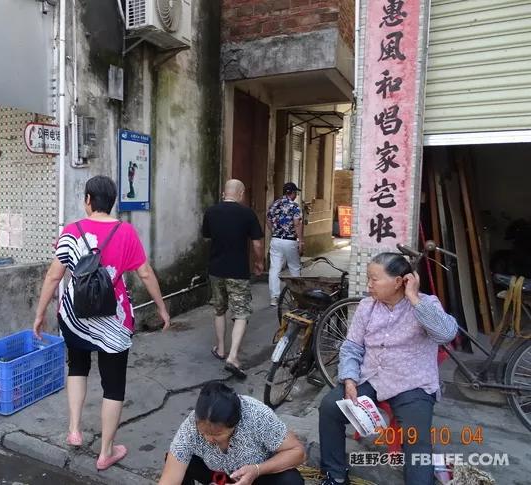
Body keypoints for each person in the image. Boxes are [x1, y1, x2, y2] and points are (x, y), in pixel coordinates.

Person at [32, 175, 170, 471]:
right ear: (112, 202)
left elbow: (54, 276)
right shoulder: (126, 232)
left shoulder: (71, 231)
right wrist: (161, 308)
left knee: (77, 367)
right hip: (115, 319)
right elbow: (145, 273)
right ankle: (106, 451)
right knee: (113, 384)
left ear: (88, 200)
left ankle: (74, 429)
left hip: (74, 315)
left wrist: (40, 313)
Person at [318, 253, 458, 485]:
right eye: (368, 279)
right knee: (329, 407)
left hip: (412, 383)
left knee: (416, 439)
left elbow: (446, 334)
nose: (369, 285)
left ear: (399, 281)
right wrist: (350, 379)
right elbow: (351, 347)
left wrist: (413, 297)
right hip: (371, 378)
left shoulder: (425, 304)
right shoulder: (366, 306)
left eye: (375, 279)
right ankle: (335, 475)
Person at [159, 381, 306, 485]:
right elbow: (169, 480)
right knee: (176, 459)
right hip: (219, 478)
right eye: (203, 432)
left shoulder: (257, 415)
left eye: (217, 434)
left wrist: (256, 470)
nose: (208, 439)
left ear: (235, 424)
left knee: (290, 481)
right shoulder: (191, 426)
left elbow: (297, 452)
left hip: (254, 478)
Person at [202, 179, 264, 379]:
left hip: (216, 269)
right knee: (241, 312)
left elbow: (207, 237)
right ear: (241, 193)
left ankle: (220, 349)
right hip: (237, 271)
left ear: (224, 193)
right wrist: (259, 262)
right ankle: (233, 356)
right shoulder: (247, 214)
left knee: (219, 309)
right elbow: (257, 244)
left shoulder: (211, 212)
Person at [267, 182, 303, 307]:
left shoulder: (274, 204)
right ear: (292, 193)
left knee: (274, 268)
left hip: (276, 240)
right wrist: (301, 241)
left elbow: (268, 219)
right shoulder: (294, 206)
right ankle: (296, 295)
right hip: (290, 240)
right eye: (296, 193)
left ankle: (274, 298)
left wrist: (274, 231)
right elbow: (297, 223)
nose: (296, 195)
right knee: (294, 267)